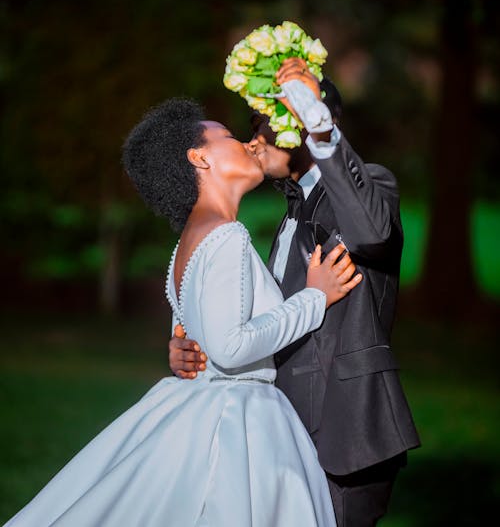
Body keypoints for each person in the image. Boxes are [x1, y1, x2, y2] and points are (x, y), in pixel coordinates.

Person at [3, 97, 364, 527]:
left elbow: (205, 334)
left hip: (201, 402)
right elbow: (231, 347)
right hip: (236, 420)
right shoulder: (226, 235)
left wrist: (184, 348)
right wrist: (315, 298)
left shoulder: (190, 241)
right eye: (230, 137)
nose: (249, 145)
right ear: (199, 157)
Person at [169, 60, 421, 527]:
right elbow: (261, 317)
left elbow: (370, 233)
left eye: (267, 124)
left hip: (347, 434)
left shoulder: (373, 186)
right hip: (282, 428)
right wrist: (198, 343)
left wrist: (314, 115)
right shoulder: (286, 216)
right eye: (252, 127)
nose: (253, 139)